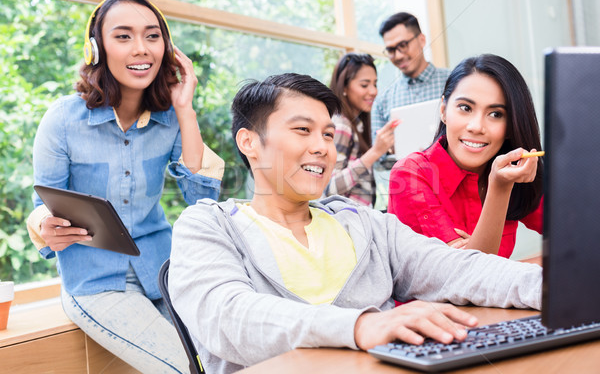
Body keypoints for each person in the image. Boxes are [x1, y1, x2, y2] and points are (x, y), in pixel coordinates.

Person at [169, 73, 542, 374]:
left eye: (328, 135)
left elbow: (457, 267)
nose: (322, 147)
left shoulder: (361, 221)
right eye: (303, 130)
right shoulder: (208, 225)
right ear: (249, 142)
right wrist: (360, 326)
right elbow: (226, 317)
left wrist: (559, 289)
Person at [26, 0, 224, 373]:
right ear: (96, 49)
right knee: (186, 370)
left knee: (229, 359)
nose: (141, 49)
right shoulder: (63, 120)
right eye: (123, 36)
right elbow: (42, 208)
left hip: (167, 271)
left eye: (152, 36)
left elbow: (202, 199)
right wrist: (45, 229)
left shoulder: (170, 119)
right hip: (95, 281)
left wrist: (185, 109)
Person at [388, 54, 543, 257]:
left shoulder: (515, 169)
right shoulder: (410, 174)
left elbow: (576, 228)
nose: (476, 126)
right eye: (465, 108)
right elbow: (467, 278)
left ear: (510, 127)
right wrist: (499, 188)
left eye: (495, 114)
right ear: (443, 111)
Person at [323, 53, 398, 206]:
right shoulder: (342, 125)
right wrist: (375, 152)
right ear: (344, 87)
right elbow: (330, 187)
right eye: (364, 85)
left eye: (375, 84)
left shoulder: (357, 124)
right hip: (345, 221)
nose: (373, 91)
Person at [371, 12, 450, 144]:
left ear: (422, 40)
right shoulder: (382, 101)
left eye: (403, 45)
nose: (398, 55)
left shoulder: (455, 81)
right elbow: (379, 160)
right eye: (391, 50)